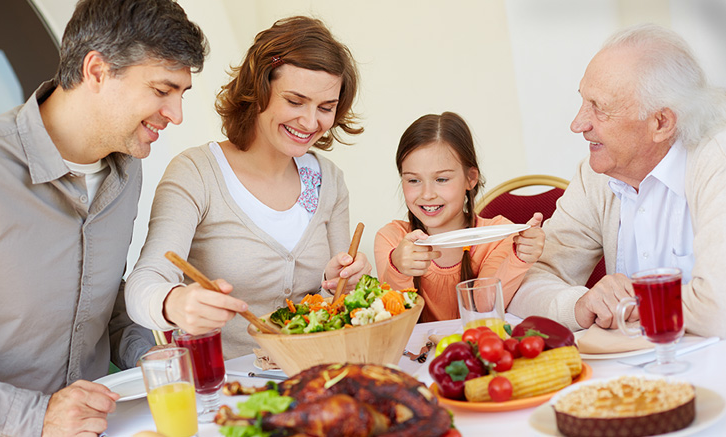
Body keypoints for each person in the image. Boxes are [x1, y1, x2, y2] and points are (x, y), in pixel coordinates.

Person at [0, 0, 207, 435]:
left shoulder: (127, 169)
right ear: (97, 71)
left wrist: (156, 349)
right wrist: (37, 417)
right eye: (162, 91)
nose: (176, 115)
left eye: (182, 94)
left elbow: (100, 301)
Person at [125, 16, 371, 359]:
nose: (311, 122)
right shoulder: (197, 172)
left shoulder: (328, 180)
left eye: (326, 108)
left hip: (317, 377)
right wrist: (174, 302)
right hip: (224, 392)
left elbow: (338, 305)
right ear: (258, 90)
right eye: (295, 101)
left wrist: (343, 284)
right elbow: (143, 284)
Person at [508, 24, 726, 338]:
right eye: (583, 101)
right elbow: (526, 283)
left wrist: (628, 305)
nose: (578, 124)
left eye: (600, 108)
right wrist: (581, 303)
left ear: (661, 122)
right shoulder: (598, 174)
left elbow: (718, 307)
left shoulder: (716, 160)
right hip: (633, 377)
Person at [374, 112, 545, 322]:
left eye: (442, 179)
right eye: (413, 181)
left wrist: (521, 258)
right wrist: (398, 269)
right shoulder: (391, 238)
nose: (427, 194)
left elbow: (484, 306)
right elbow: (395, 320)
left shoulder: (497, 235)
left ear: (471, 178)